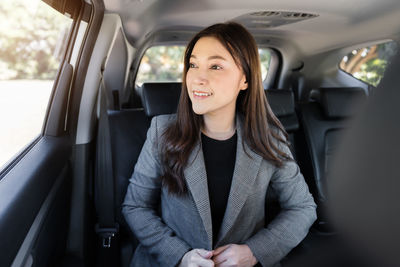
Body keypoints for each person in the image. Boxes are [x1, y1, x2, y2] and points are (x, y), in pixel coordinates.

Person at [122, 22, 317, 267]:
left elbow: (303, 207)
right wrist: (179, 255)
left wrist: (253, 252)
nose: (197, 78)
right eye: (193, 65)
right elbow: (135, 206)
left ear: (244, 79)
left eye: (215, 66)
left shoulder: (269, 138)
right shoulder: (162, 132)